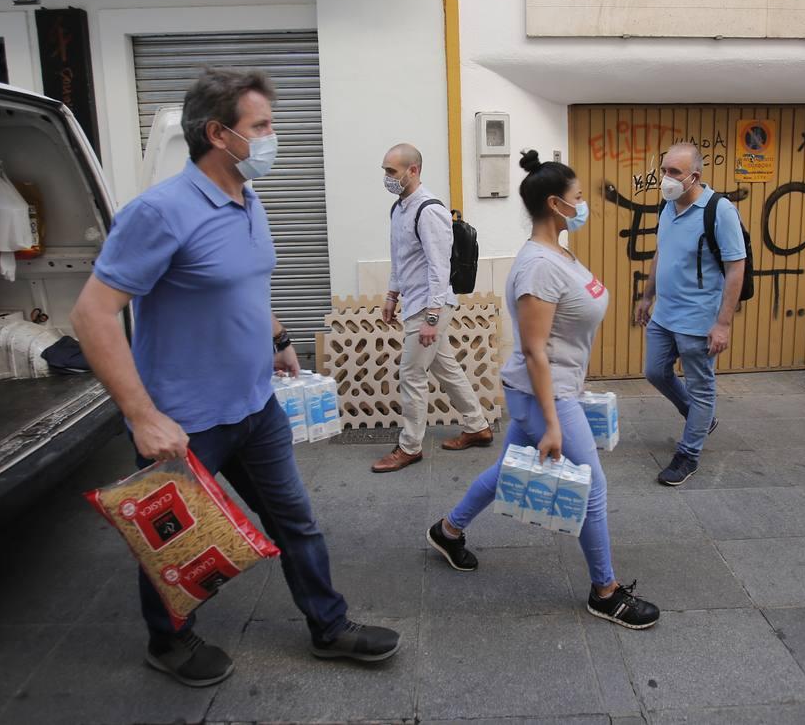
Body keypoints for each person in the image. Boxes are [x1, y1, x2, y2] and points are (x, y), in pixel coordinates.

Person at [69, 68, 399, 688]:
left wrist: (276, 339)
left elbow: (248, 286)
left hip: (255, 405)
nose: (274, 138)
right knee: (175, 543)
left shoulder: (249, 200)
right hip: (185, 422)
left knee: (295, 521)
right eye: (262, 126)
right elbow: (92, 315)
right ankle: (168, 644)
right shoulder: (160, 212)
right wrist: (142, 416)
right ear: (219, 133)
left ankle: (329, 628)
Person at [425, 150, 660, 629]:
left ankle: (447, 530)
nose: (583, 204)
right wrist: (553, 421)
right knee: (592, 487)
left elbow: (562, 334)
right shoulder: (537, 267)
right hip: (541, 397)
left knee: (507, 469)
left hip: (554, 388)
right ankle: (605, 592)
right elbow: (535, 350)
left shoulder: (561, 253)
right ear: (556, 204)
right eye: (577, 198)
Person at [372, 143, 492, 473]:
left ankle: (409, 446)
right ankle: (477, 425)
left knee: (411, 374)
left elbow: (439, 268)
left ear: (414, 171)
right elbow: (400, 258)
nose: (387, 178)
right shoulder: (399, 209)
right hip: (413, 301)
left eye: (392, 171)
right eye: (385, 171)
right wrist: (391, 296)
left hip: (429, 305)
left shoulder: (430, 210)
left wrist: (432, 318)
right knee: (444, 367)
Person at [634, 142, 746, 487]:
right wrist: (647, 295)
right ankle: (700, 418)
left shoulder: (720, 210)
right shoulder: (667, 206)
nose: (665, 179)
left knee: (701, 387)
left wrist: (722, 323)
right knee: (655, 371)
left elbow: (736, 266)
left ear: (693, 176)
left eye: (674, 173)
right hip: (665, 313)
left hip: (698, 317)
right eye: (664, 170)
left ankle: (688, 454)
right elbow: (661, 253)